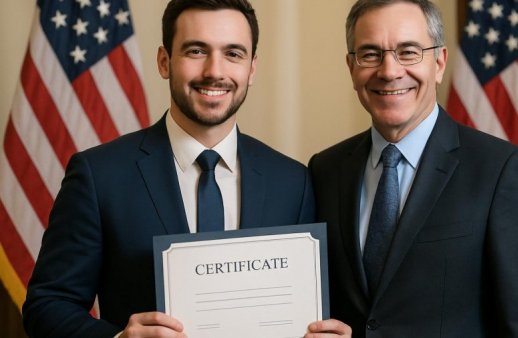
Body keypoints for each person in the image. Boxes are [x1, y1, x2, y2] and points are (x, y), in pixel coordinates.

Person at [22, 0, 317, 337]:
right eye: (196, 51)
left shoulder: (294, 182)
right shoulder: (98, 175)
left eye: (233, 54)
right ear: (165, 61)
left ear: (251, 69)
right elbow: (47, 305)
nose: (214, 71)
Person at [308, 0, 518, 337]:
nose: (389, 70)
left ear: (439, 63)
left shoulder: (501, 172)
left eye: (408, 52)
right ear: (351, 67)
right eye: (370, 54)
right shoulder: (325, 170)